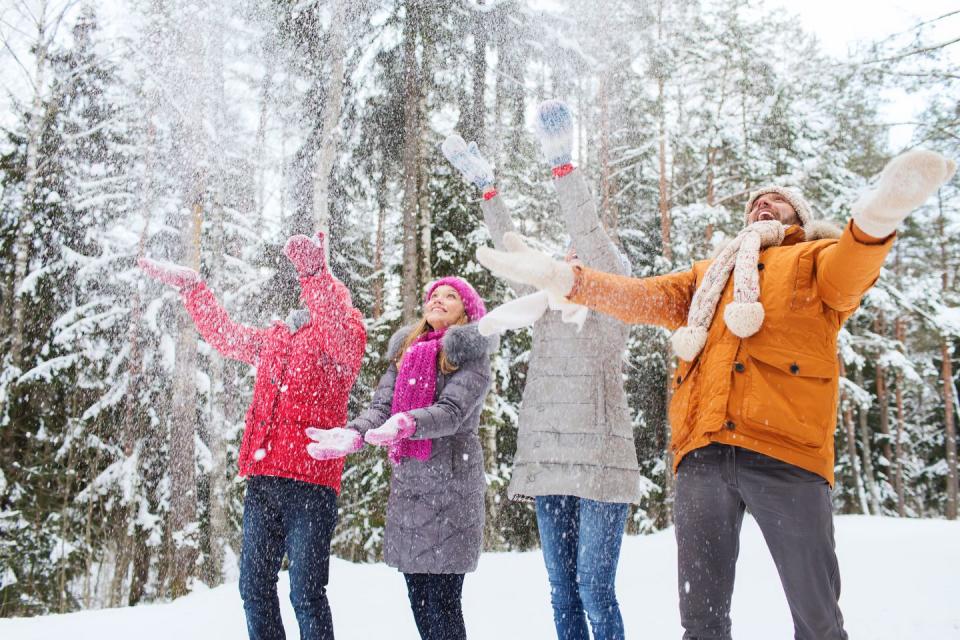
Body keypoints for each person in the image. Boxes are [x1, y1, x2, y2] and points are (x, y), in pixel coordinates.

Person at [475, 147, 956, 639]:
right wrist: (565, 279)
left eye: (777, 201)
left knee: (817, 617)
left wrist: (877, 218)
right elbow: (641, 297)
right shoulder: (708, 275)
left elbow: (852, 269)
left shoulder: (814, 259)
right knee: (701, 620)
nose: (763, 205)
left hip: (786, 454)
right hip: (703, 454)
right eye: (756, 202)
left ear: (800, 218)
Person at [439, 99, 640, 640]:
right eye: (567, 251)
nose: (572, 255)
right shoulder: (541, 306)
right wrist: (488, 190)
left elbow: (590, 228)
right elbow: (511, 249)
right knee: (563, 592)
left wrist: (562, 165)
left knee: (595, 588)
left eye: (585, 253)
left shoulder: (611, 307)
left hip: (600, 463)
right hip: (548, 464)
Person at [139, 232, 366, 640]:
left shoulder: (344, 340)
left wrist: (316, 273)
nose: (317, 300)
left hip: (311, 486)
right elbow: (225, 336)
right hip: (263, 482)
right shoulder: (277, 340)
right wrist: (195, 290)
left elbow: (332, 319)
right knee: (254, 589)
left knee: (306, 594)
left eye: (328, 295)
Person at [306, 276, 495, 640]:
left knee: (443, 604)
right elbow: (382, 408)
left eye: (450, 296)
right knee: (419, 601)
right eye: (434, 295)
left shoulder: (472, 355)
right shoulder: (406, 352)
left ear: (466, 312)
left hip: (452, 488)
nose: (438, 300)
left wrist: (408, 422)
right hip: (411, 487)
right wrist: (355, 433)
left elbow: (452, 411)